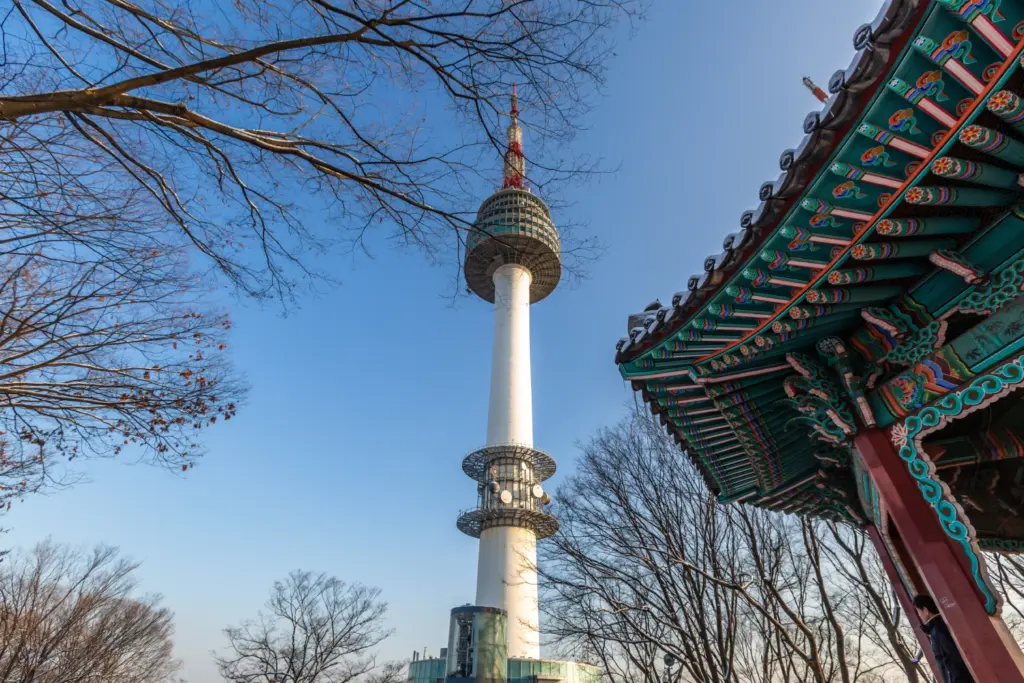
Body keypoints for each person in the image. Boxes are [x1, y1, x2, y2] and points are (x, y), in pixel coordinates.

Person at [913, 594, 974, 683]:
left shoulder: (938, 630)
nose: (919, 615)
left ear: (925, 610)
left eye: (918, 611)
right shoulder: (938, 628)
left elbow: (953, 658)